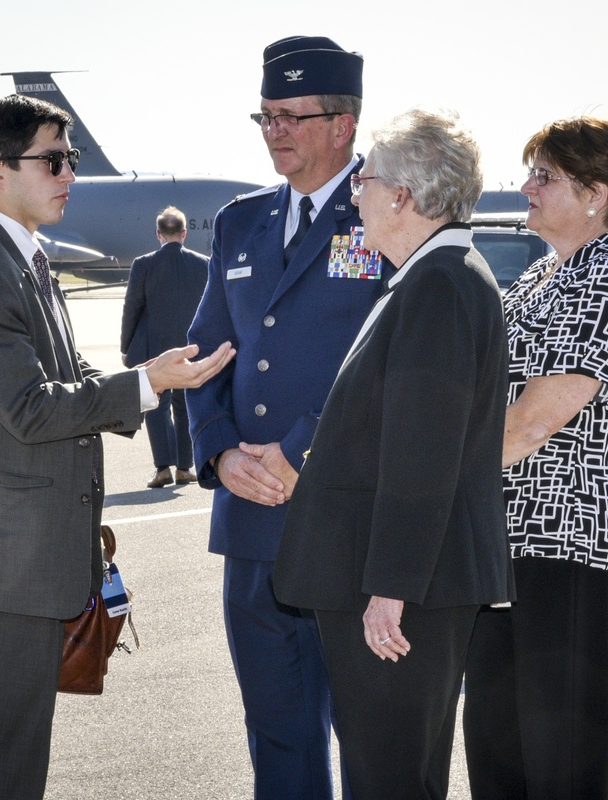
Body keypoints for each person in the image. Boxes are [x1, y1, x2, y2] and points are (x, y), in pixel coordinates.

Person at [0, 94, 234, 800]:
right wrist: (145, 383)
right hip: (2, 555)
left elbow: (66, 378)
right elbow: (28, 407)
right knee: (0, 759)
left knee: (12, 750)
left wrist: (148, 379)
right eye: (52, 159)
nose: (68, 173)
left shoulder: (20, 254)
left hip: (17, 549)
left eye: (68, 158)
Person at [272, 106, 514, 800]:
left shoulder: (439, 284)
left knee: (391, 777)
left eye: (365, 181)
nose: (354, 195)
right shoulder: (432, 276)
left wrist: (391, 590)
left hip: (402, 589)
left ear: (403, 196)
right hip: (406, 581)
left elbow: (422, 453)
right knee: (399, 772)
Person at [186, 35, 392, 799]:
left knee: (372, 736)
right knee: (277, 733)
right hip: (253, 525)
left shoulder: (388, 209)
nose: (275, 131)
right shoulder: (239, 222)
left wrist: (302, 447)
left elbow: (392, 362)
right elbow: (206, 351)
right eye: (265, 116)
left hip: (348, 520)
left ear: (343, 123)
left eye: (292, 117)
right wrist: (217, 454)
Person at [462, 116, 608, 800]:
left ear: (596, 194)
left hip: (567, 549)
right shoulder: (543, 277)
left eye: (544, 177)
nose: (526, 188)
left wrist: (431, 482)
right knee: (498, 754)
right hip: (505, 545)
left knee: (558, 766)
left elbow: (533, 423)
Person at [121, 205, 210, 488]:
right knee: (185, 408)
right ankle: (185, 467)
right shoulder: (204, 264)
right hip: (189, 348)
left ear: (158, 234)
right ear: (184, 233)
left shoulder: (143, 264)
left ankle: (162, 469)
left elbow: (132, 308)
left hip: (152, 347)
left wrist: (126, 346)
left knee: (155, 409)